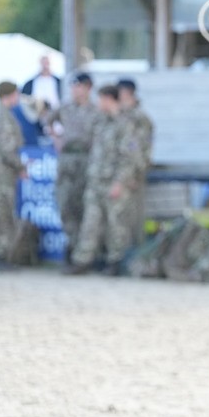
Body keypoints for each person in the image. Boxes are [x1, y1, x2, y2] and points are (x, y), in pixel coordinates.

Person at [66, 85, 135, 275]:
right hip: (95, 180)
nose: (97, 103)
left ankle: (115, 262)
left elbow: (128, 157)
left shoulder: (125, 124)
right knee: (90, 221)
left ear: (108, 99)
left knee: (116, 224)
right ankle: (82, 260)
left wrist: (119, 182)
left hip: (113, 182)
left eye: (100, 99)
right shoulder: (100, 122)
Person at [42, 73, 99, 261]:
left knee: (85, 204)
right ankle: (72, 243)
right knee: (65, 202)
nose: (75, 90)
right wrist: (56, 138)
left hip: (87, 159)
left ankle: (84, 251)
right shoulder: (65, 108)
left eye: (79, 86)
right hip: (67, 159)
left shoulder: (96, 110)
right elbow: (46, 120)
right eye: (73, 86)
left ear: (88, 88)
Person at [0, 81, 27, 264]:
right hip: (1, 171)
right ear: (8, 95)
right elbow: (7, 148)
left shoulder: (0, 115)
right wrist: (21, 167)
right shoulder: (3, 117)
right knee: (0, 213)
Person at [117, 79, 154, 249]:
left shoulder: (140, 118)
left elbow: (142, 150)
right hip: (117, 175)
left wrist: (136, 175)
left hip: (133, 176)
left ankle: (134, 255)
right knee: (118, 219)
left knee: (134, 218)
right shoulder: (118, 116)